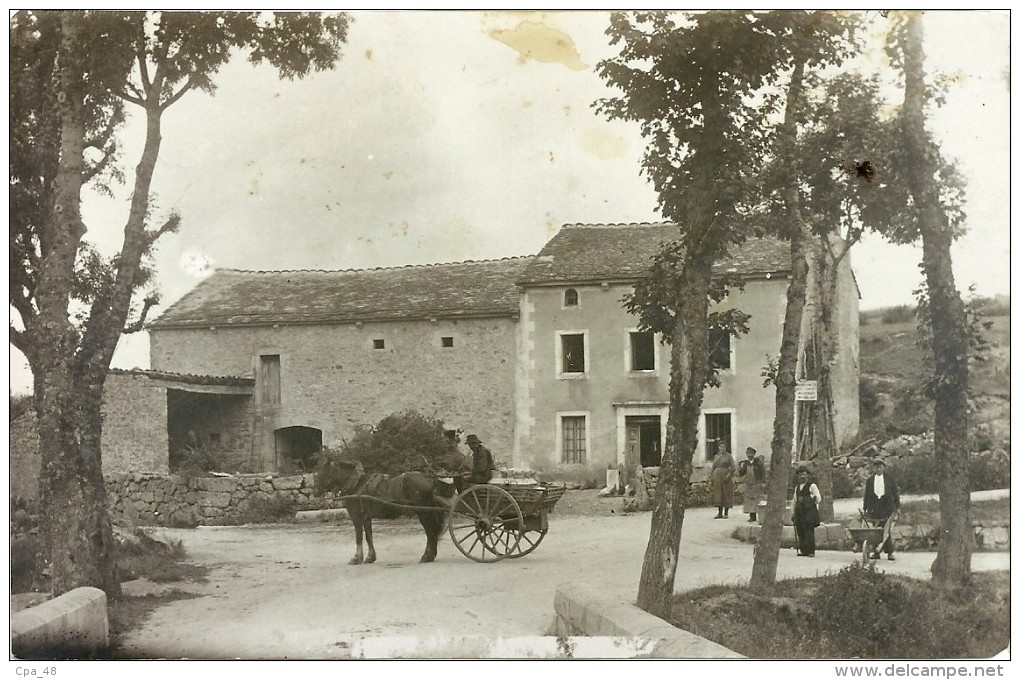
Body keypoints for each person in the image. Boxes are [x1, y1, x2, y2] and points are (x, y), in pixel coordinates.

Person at [863, 459, 901, 560]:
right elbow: (866, 495)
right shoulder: (870, 480)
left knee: (886, 530)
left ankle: (890, 553)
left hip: (886, 507)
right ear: (874, 468)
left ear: (883, 467)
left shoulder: (889, 479)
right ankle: (876, 552)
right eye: (876, 467)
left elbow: (895, 493)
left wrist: (898, 507)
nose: (878, 469)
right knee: (875, 530)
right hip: (874, 507)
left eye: (880, 467)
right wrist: (865, 508)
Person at [792, 466, 822, 557]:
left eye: (804, 474)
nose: (802, 476)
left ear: (807, 475)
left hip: (809, 512)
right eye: (800, 474)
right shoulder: (797, 488)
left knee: (809, 531)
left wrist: (810, 502)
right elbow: (794, 501)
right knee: (800, 531)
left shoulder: (812, 486)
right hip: (799, 512)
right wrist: (793, 512)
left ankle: (810, 551)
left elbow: (818, 498)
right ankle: (803, 550)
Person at [738, 446, 767, 522]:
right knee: (749, 501)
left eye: (751, 453)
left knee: (757, 500)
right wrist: (739, 468)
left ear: (754, 454)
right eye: (748, 454)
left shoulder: (758, 462)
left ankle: (761, 516)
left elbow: (763, 472)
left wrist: (763, 482)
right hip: (749, 484)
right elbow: (742, 473)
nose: (749, 455)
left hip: (757, 483)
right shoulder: (745, 463)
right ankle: (752, 516)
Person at [710, 441, 735, 519]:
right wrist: (711, 477)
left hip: (725, 477)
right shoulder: (716, 456)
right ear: (718, 448)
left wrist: (728, 475)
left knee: (726, 493)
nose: (722, 448)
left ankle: (726, 513)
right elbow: (713, 467)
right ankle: (719, 513)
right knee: (718, 493)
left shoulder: (729, 456)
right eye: (721, 447)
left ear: (726, 448)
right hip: (717, 477)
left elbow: (733, 468)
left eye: (723, 447)